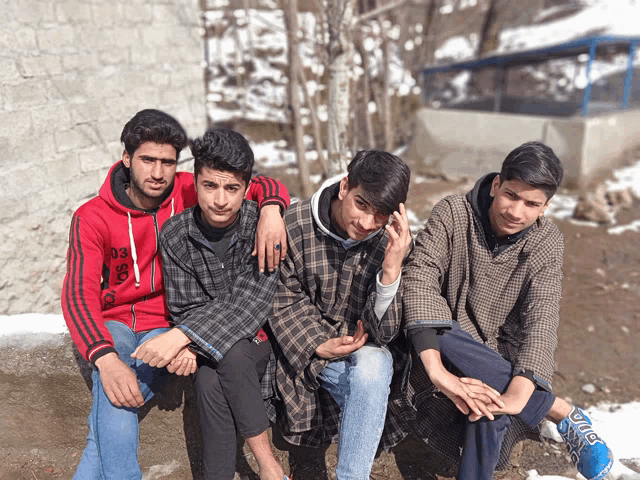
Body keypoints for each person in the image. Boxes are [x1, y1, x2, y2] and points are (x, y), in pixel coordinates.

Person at [61, 109, 290, 480]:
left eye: (167, 162)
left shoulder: (189, 187)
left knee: (111, 409)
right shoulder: (92, 216)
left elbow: (250, 180)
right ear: (126, 159)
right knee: (116, 390)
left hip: (164, 325)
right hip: (116, 324)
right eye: (148, 160)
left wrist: (272, 209)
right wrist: (104, 358)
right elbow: (77, 293)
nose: (157, 173)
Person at [400, 141, 614, 480]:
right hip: (439, 340)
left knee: (491, 407)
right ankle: (560, 411)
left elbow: (543, 318)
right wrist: (438, 371)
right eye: (511, 195)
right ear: (497, 184)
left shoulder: (546, 242)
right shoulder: (454, 212)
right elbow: (419, 277)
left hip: (496, 354)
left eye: (531, 204)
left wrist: (519, 390)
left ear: (546, 207)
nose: (516, 212)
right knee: (424, 311)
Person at [131, 128, 289, 480]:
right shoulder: (175, 234)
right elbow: (185, 303)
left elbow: (251, 302)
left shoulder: (261, 227)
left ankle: (268, 466)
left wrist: (180, 337)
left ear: (247, 189)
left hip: (262, 337)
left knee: (230, 356)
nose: (220, 199)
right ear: (195, 183)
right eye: (210, 186)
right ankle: (247, 472)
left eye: (231, 188)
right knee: (206, 379)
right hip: (210, 346)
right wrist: (189, 337)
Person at [268, 150, 412, 480]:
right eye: (361, 204)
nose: (366, 223)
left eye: (381, 214)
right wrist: (320, 343)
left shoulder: (394, 244)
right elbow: (281, 299)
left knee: (375, 366)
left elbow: (386, 335)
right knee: (367, 383)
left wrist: (390, 270)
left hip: (362, 354)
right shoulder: (294, 224)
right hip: (303, 354)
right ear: (345, 186)